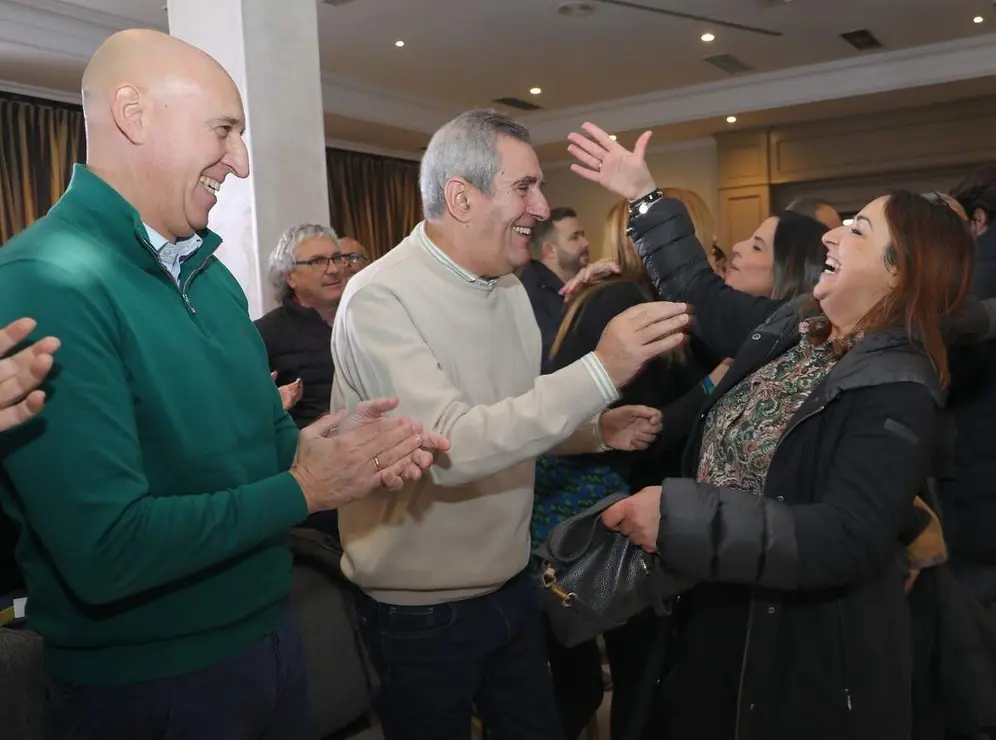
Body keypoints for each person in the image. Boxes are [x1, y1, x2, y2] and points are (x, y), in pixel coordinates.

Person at [0, 29, 445, 740]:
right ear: (134, 115)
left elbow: (263, 448)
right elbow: (108, 550)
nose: (240, 161)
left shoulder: (210, 277)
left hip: (270, 639)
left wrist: (330, 450)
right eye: (224, 130)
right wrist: (307, 488)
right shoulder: (44, 281)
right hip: (147, 685)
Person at [566, 122, 975, 740]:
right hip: (712, 599)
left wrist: (684, 518)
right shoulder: (800, 326)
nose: (832, 234)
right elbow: (699, 292)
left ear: (899, 273)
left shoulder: (896, 386)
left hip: (791, 641)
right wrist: (644, 196)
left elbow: (845, 536)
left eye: (858, 230)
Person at [330, 109, 688, 740]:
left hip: (510, 584)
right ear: (461, 198)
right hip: (421, 611)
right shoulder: (380, 297)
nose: (542, 207)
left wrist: (592, 430)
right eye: (524, 187)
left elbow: (509, 413)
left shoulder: (507, 287)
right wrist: (600, 371)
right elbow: (453, 448)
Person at [256, 223, 347, 428]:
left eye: (337, 258)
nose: (333, 269)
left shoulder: (364, 318)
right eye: (317, 261)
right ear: (290, 277)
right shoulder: (264, 335)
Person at [519, 206, 590, 372]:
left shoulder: (582, 285)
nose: (585, 243)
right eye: (575, 237)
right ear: (550, 251)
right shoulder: (530, 297)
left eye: (583, 235)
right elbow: (553, 363)